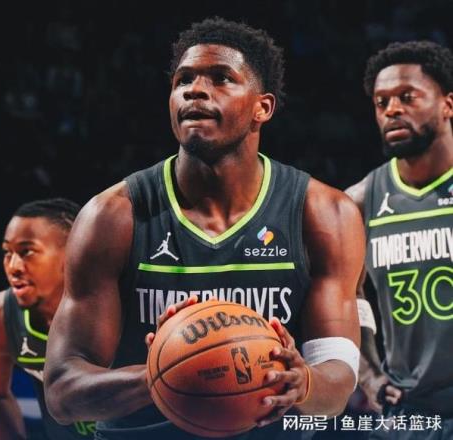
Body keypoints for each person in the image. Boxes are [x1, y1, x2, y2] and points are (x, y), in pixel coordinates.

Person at [44, 17, 365, 440]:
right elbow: (63, 393)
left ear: (263, 108)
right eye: (184, 80)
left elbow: (338, 382)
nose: (195, 90)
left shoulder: (324, 213)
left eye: (221, 78)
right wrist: (166, 372)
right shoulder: (112, 216)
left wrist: (302, 382)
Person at [346, 40, 453, 437]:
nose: (392, 109)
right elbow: (346, 293)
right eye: (381, 102)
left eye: (407, 97)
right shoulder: (360, 201)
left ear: (447, 105)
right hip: (410, 411)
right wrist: (368, 374)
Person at [0, 198, 96, 439]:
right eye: (8, 253)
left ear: (73, 250)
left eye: (26, 251)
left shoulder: (127, 302)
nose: (13, 266)